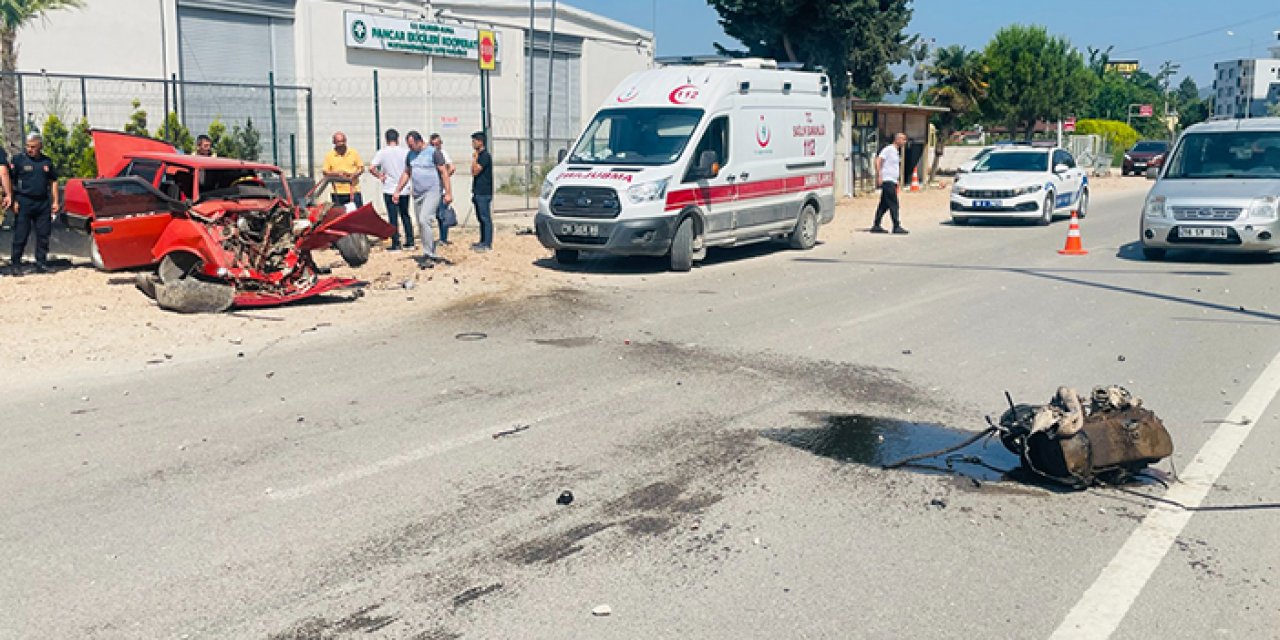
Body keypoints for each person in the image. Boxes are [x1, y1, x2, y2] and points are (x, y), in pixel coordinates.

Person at [393, 131, 452, 267]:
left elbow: (444, 172)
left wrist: (448, 193)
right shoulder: (411, 155)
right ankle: (429, 250)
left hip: (432, 191)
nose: (410, 148)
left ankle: (429, 254)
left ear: (420, 141)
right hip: (418, 193)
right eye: (409, 145)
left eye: (412, 145)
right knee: (421, 223)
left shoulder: (434, 153)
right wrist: (397, 191)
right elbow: (407, 173)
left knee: (425, 219)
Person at [9, 133, 60, 275]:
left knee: (43, 235)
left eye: (33, 147)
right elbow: (11, 182)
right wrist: (13, 201)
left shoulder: (47, 162)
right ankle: (16, 263)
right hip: (24, 201)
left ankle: (41, 263)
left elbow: (54, 181)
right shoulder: (18, 160)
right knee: (21, 234)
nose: (29, 149)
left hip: (42, 202)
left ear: (40, 146)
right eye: (28, 146)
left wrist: (55, 201)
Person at [369, 128, 413, 251]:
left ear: (386, 139)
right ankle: (410, 241)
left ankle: (396, 243)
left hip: (389, 188)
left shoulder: (382, 153)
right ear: (398, 138)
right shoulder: (405, 152)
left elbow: (371, 167)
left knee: (392, 216)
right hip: (404, 188)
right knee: (405, 214)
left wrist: (380, 176)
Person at [871, 132, 909, 235]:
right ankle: (896, 226)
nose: (904, 142)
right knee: (894, 204)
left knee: (884, 205)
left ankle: (876, 224)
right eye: (903, 139)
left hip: (892, 180)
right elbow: (878, 160)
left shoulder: (896, 152)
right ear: (897, 139)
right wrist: (879, 175)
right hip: (887, 180)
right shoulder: (888, 149)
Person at [323, 131, 364, 207]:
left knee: (356, 215)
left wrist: (354, 175)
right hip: (337, 192)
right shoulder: (329, 155)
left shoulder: (353, 153)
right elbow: (325, 172)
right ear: (334, 142)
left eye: (343, 141)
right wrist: (337, 174)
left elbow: (361, 168)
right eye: (339, 142)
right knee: (340, 215)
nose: (341, 144)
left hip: (353, 190)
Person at [428, 133, 457, 244]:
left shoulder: (442, 154)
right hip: (433, 189)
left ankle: (443, 238)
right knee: (438, 214)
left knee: (442, 214)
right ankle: (441, 237)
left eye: (437, 144)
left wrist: (444, 178)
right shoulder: (431, 154)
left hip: (441, 189)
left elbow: (452, 167)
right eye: (433, 144)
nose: (436, 146)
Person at [470, 131, 494, 252]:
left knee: (485, 218)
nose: (473, 143)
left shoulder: (484, 156)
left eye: (474, 141)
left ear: (480, 141)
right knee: (480, 218)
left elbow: (475, 171)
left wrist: (474, 159)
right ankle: (482, 241)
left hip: (484, 192)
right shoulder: (479, 156)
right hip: (478, 191)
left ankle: (487, 244)